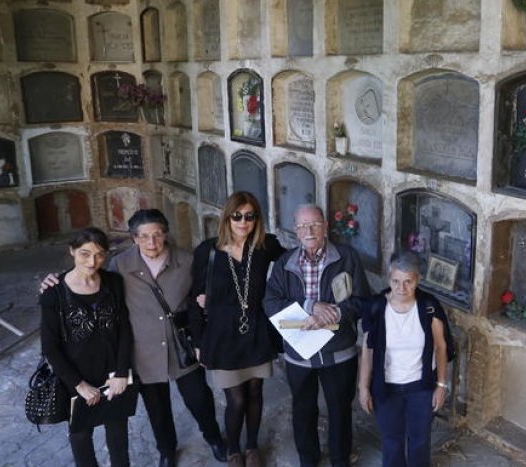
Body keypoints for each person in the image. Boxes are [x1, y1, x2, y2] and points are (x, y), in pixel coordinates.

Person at [43, 210, 227, 467]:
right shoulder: (120, 265)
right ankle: (167, 449)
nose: (151, 243)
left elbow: (205, 293)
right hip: (143, 352)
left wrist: (206, 315)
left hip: (181, 347)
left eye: (157, 235)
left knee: (200, 399)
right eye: (143, 237)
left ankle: (214, 437)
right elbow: (88, 269)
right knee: (157, 409)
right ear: (133, 239)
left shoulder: (187, 260)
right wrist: (55, 281)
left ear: (165, 234)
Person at [263, 204, 371, 467]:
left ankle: (339, 459)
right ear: (296, 230)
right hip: (299, 353)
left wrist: (336, 312)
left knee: (340, 411)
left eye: (314, 224)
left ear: (324, 226)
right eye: (303, 226)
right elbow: (270, 302)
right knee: (303, 409)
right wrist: (310, 306)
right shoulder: (284, 263)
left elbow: (363, 301)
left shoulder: (347, 258)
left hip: (339, 351)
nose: (309, 231)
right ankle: (308, 460)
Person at [189, 193, 285, 467]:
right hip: (222, 337)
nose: (243, 222)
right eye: (237, 216)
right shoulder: (208, 251)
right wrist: (198, 341)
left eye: (250, 216)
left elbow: (295, 262)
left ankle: (252, 446)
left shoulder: (266, 247)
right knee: (236, 399)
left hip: (256, 331)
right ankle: (233, 450)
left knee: (255, 393)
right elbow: (193, 300)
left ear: (257, 219)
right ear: (227, 217)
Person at [39, 228, 133, 467]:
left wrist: (122, 372)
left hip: (113, 374)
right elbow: (50, 347)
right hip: (76, 378)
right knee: (81, 439)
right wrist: (79, 385)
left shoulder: (113, 282)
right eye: (84, 254)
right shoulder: (54, 292)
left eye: (99, 255)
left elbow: (124, 330)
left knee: (119, 438)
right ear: (71, 251)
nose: (92, 262)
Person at [357, 251, 450, 467]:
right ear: (389, 277)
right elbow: (368, 349)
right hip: (387, 387)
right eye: (396, 281)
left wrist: (441, 385)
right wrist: (363, 388)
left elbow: (441, 346)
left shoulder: (429, 307)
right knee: (391, 441)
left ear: (418, 280)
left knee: (419, 441)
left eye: (408, 282)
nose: (401, 288)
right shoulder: (377, 307)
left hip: (421, 387)